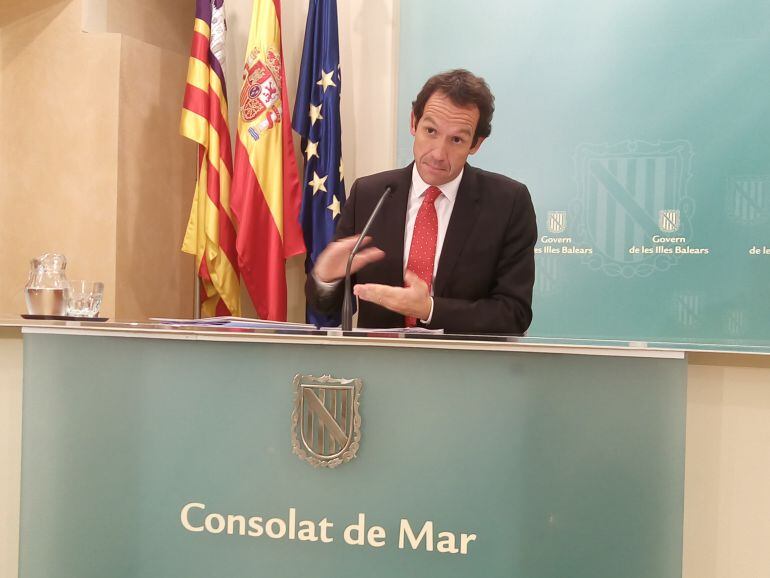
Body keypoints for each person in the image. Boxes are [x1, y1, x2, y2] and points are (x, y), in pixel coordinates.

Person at [305, 69, 537, 334]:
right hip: (379, 359)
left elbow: (514, 314)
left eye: (457, 139)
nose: (438, 153)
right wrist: (326, 278)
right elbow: (327, 307)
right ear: (413, 123)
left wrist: (429, 309)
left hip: (463, 360)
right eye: (430, 130)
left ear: (476, 144)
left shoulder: (508, 203)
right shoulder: (369, 195)